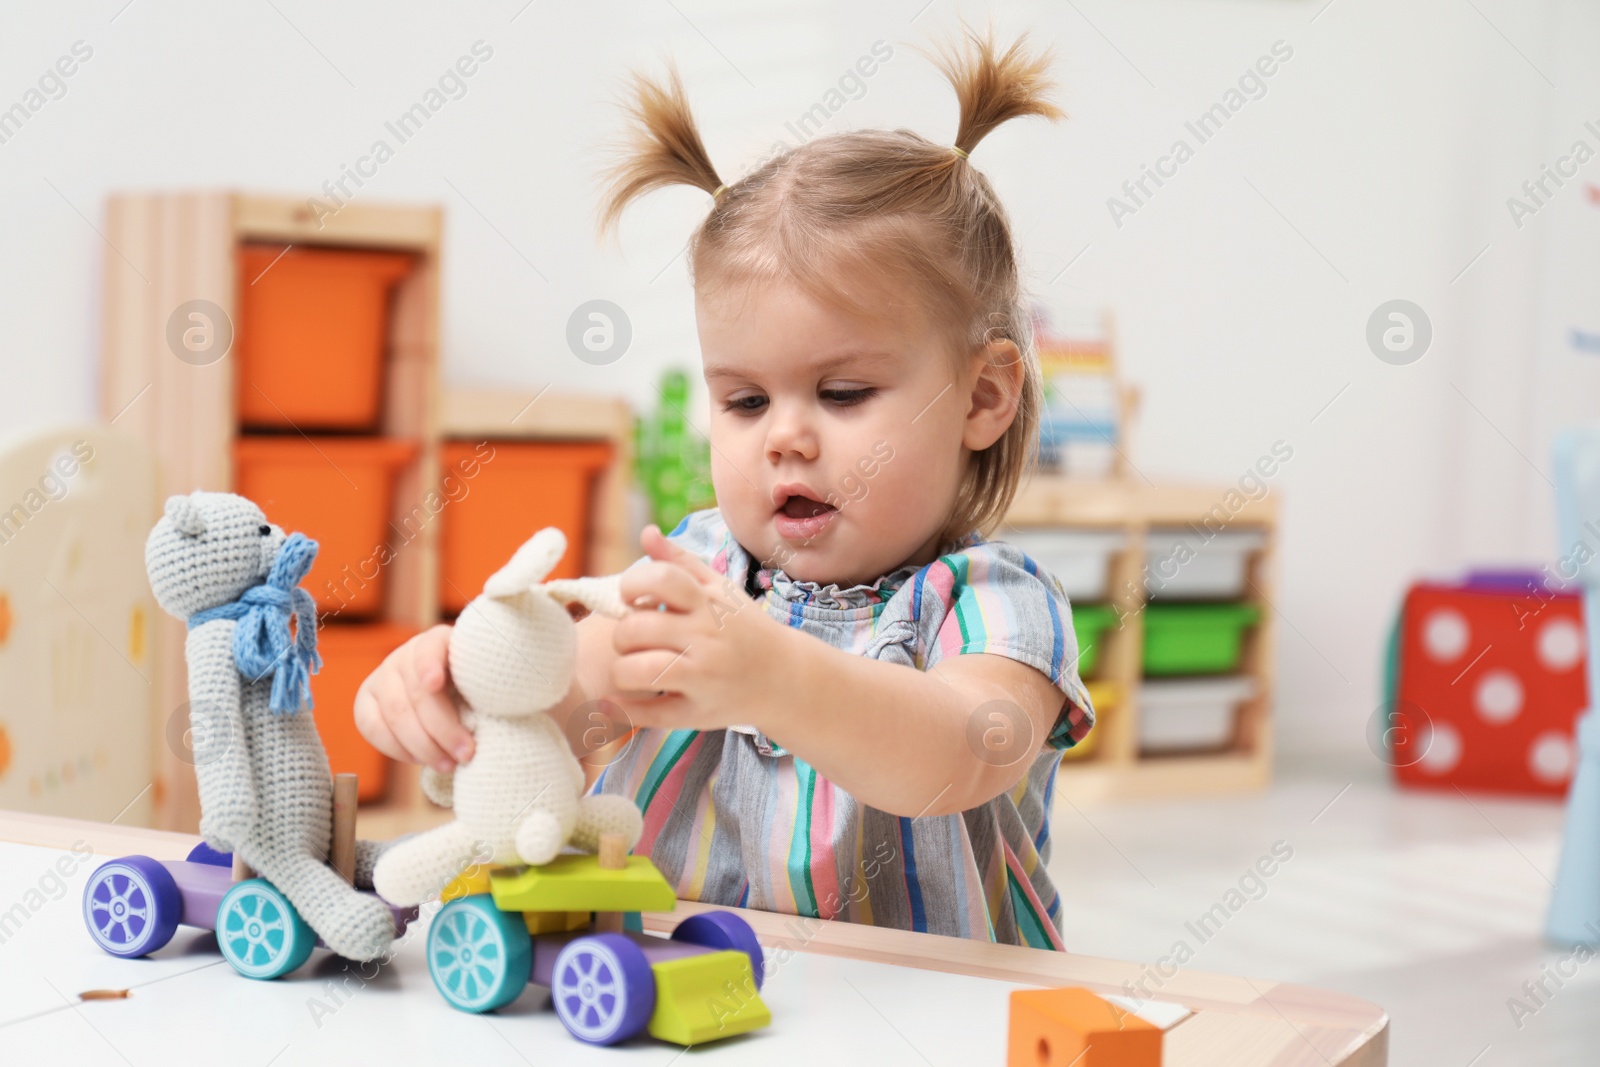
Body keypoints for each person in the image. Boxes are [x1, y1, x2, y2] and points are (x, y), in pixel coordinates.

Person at [356, 23, 1095, 949]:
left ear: (982, 396)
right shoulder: (699, 570)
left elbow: (950, 754)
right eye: (745, 400)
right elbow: (567, 703)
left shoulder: (995, 607)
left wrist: (777, 676)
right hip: (669, 998)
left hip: (929, 1021)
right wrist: (458, 690)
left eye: (842, 392)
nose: (784, 435)